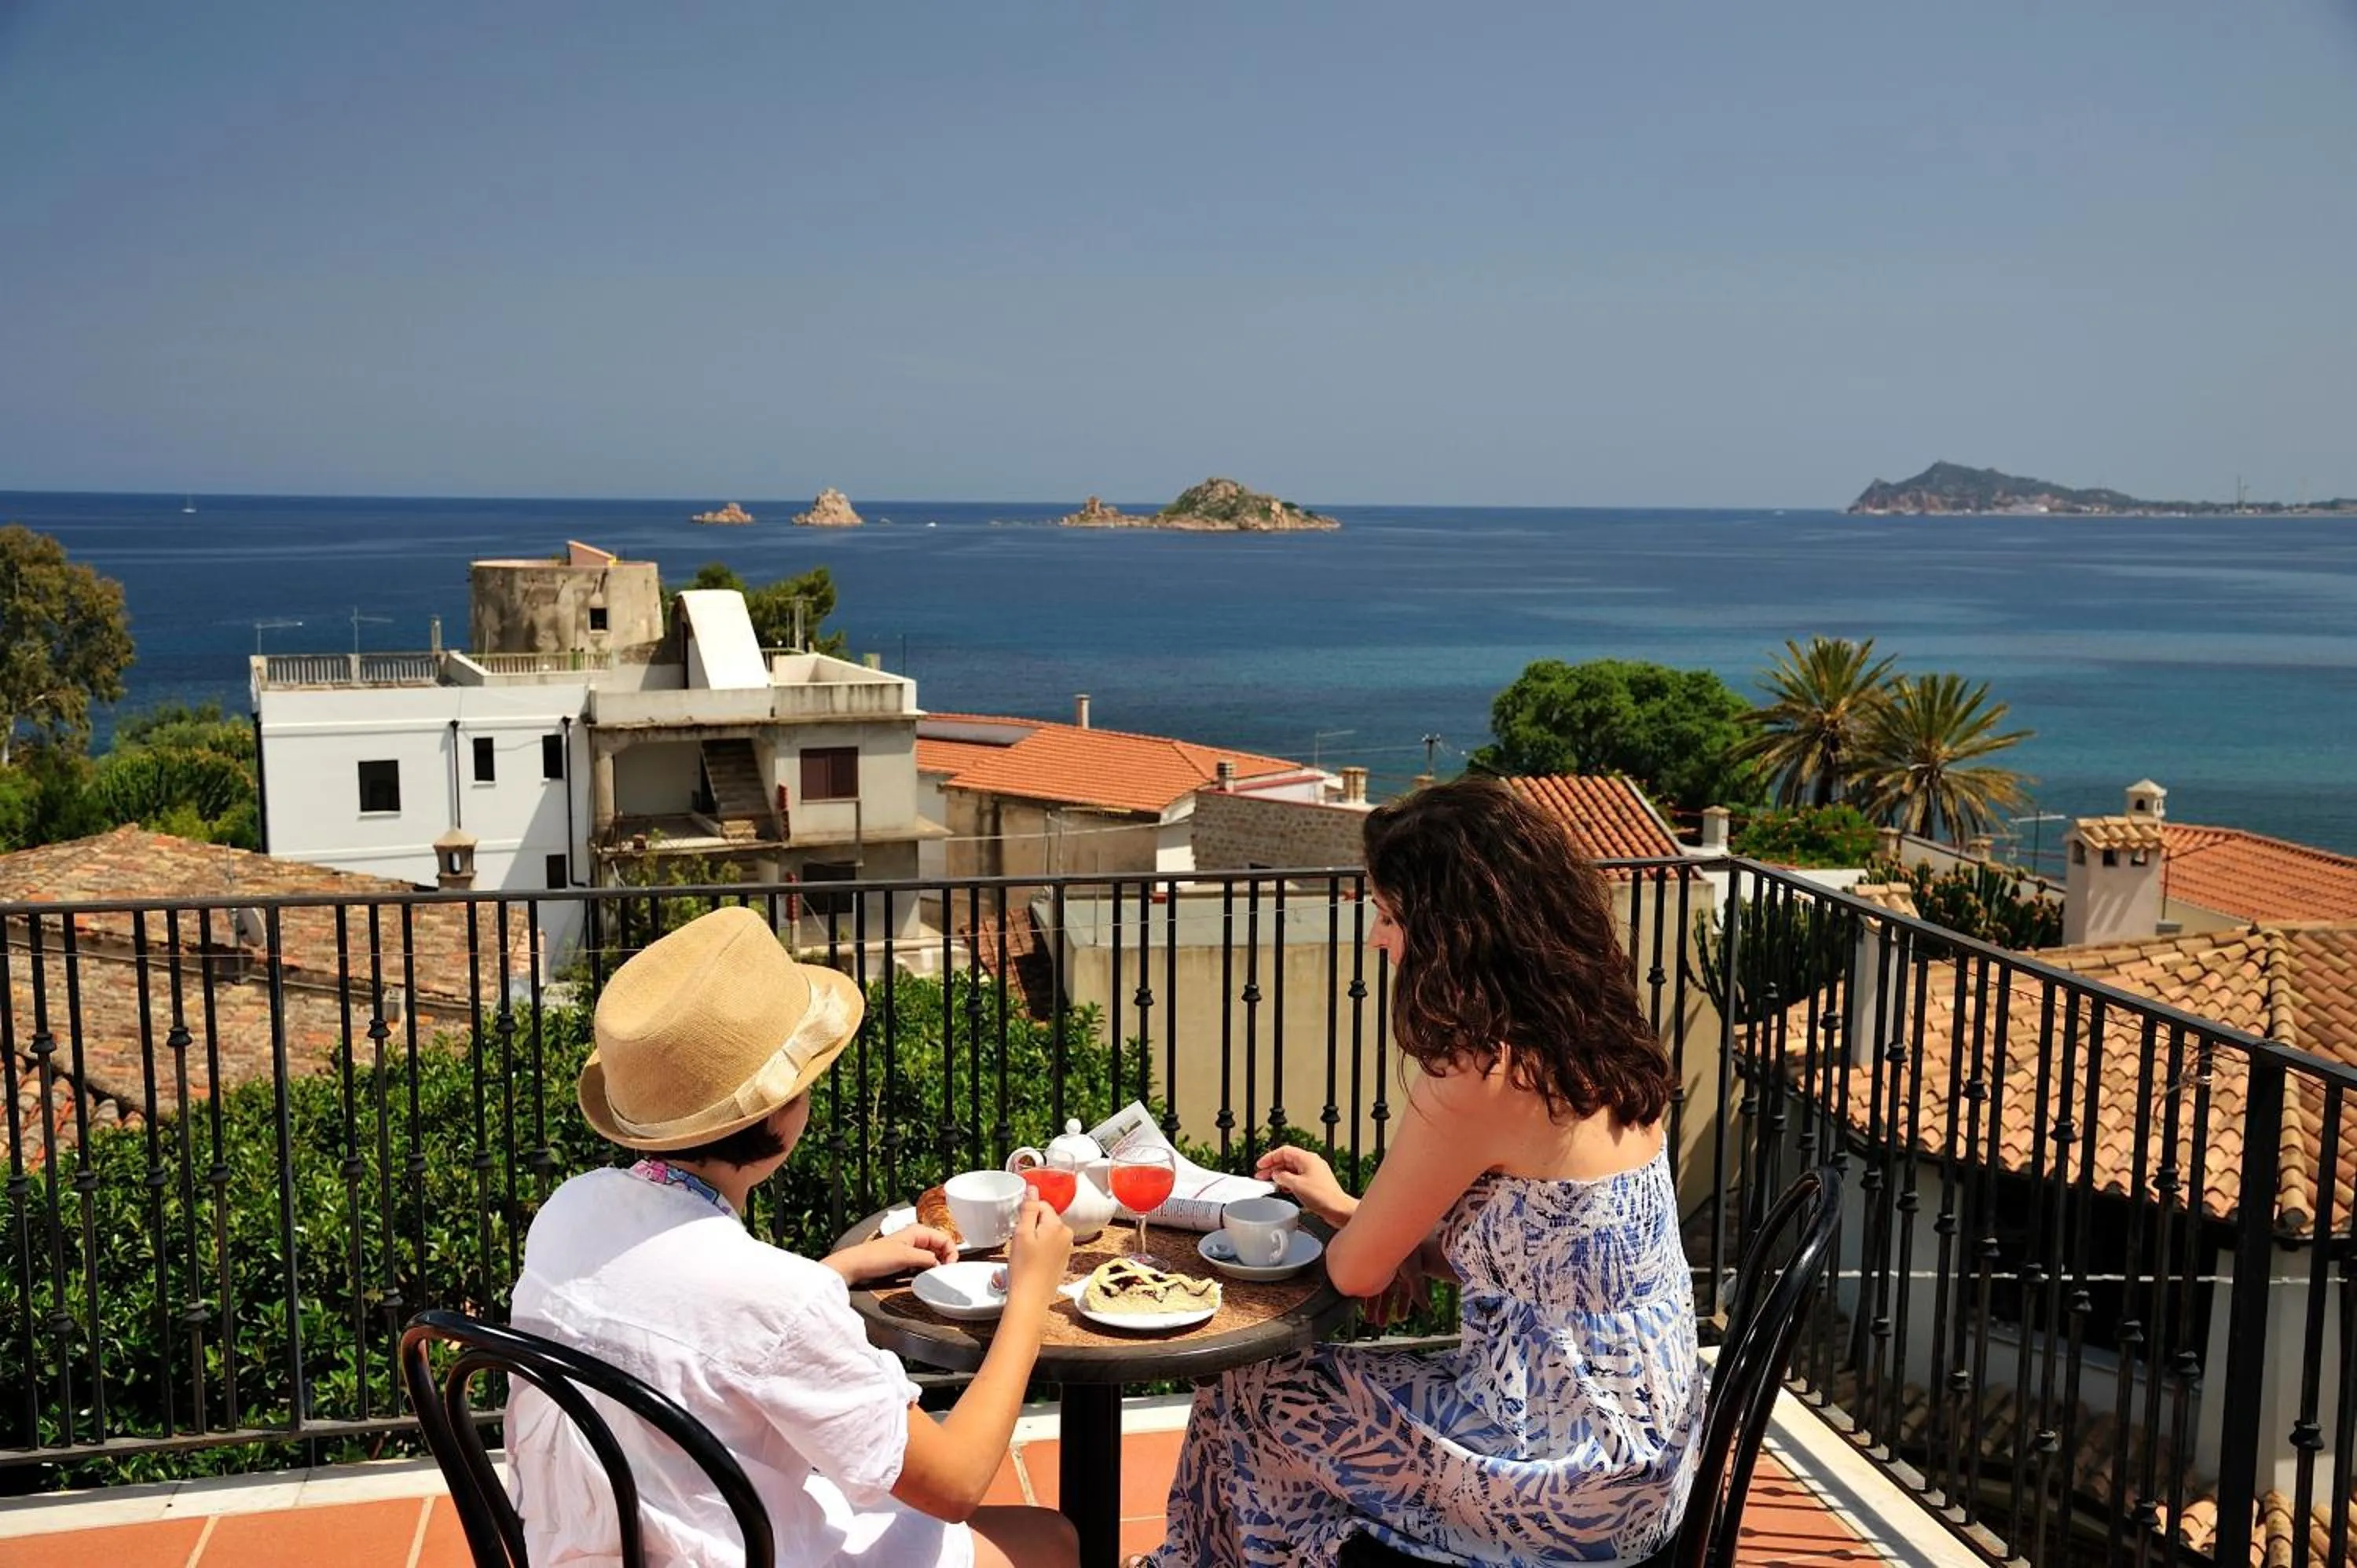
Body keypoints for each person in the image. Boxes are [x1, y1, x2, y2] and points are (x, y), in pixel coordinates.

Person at [1142, 778, 1703, 1566]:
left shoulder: (1483, 1071)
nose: (1379, 937)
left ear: (1456, 932)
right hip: (1641, 1451)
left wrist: (1361, 1231)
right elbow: (1539, 1259)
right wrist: (1349, 1205)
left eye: (1391, 914)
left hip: (1565, 1476)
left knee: (1252, 1388)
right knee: (1292, 1400)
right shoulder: (1599, 1037)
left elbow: (1355, 1270)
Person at [507, 904, 1079, 1568]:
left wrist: (829, 1271)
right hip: (734, 1553)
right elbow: (955, 1483)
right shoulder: (776, 1299)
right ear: (779, 1108)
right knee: (1054, 1540)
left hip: (602, 1549)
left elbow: (681, 1320)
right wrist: (1031, 1296)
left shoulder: (568, 1209)